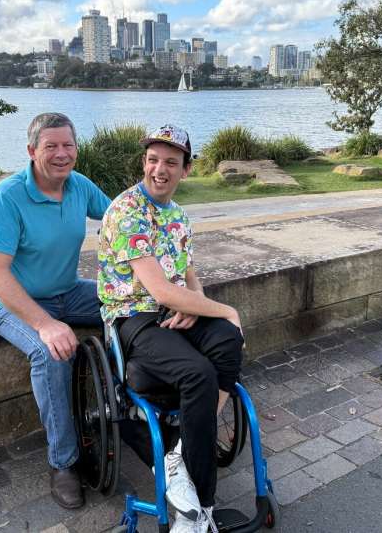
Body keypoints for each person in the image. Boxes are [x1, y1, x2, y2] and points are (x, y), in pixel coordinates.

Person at [98, 125, 244, 533]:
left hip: (176, 311)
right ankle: (203, 507)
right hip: (135, 317)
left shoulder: (178, 217)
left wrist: (201, 310)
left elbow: (188, 280)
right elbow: (159, 289)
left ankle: (179, 452)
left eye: (170, 163)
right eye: (153, 160)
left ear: (186, 170)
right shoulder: (126, 212)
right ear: (144, 163)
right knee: (199, 373)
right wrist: (225, 307)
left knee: (229, 340)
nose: (159, 170)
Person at [0, 112, 110, 509]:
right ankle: (64, 462)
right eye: (51, 146)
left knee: (131, 302)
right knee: (51, 352)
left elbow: (122, 217)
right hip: (9, 301)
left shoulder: (80, 186)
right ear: (32, 150)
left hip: (66, 290)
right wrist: (45, 324)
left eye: (68, 145)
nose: (61, 153)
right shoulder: (9, 196)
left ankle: (131, 407)